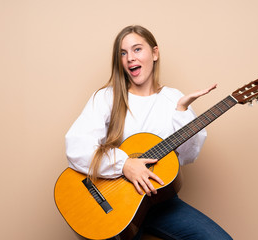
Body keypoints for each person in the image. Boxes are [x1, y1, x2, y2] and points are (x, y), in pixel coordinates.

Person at [65, 25, 232, 240]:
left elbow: (189, 156)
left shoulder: (174, 98)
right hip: (115, 203)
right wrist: (125, 165)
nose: (130, 58)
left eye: (137, 49)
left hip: (159, 201)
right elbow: (76, 145)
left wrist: (182, 112)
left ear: (154, 53)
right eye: (123, 53)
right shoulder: (107, 97)